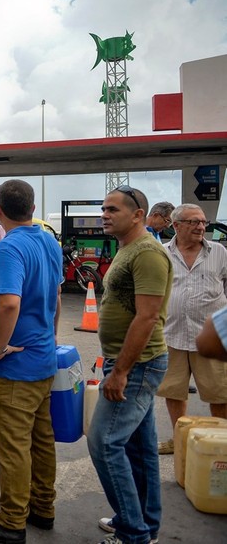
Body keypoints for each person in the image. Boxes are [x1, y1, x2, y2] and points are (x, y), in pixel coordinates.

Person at [0, 179, 62, 543]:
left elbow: (7, 302)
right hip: (44, 358)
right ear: (33, 209)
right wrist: (47, 337)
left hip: (15, 365)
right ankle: (42, 508)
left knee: (13, 446)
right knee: (40, 440)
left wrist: (0, 348)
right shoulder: (48, 241)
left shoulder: (9, 248)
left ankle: (11, 520)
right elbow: (56, 297)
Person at [88, 185, 172, 544]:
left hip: (138, 365)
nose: (105, 214)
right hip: (127, 362)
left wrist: (120, 371)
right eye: (104, 208)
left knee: (104, 443)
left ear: (138, 214)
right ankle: (142, 523)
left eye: (113, 209)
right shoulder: (127, 248)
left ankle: (133, 533)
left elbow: (148, 317)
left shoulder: (148, 253)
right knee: (138, 448)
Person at [155, 203, 227, 455]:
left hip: (210, 337)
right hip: (171, 334)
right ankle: (179, 439)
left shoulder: (219, 252)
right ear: (176, 225)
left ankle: (221, 442)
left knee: (219, 392)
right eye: (194, 222)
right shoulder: (161, 252)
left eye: (203, 222)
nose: (201, 227)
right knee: (174, 391)